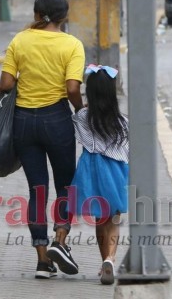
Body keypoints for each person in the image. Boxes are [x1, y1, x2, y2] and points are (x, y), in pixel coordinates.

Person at [0, 0, 85, 279]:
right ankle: (60, 242)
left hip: (23, 121)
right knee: (65, 186)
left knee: (37, 189)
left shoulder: (20, 40)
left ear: (37, 14)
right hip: (57, 120)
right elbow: (73, 88)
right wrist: (81, 111)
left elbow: (6, 83)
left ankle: (42, 260)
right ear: (64, 16)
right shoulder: (72, 45)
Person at [69, 64, 129, 285]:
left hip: (91, 170)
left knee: (99, 218)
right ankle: (111, 258)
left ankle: (105, 259)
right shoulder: (123, 122)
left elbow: (79, 129)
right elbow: (128, 152)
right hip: (116, 172)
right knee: (113, 218)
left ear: (90, 93)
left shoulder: (82, 117)